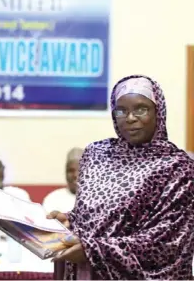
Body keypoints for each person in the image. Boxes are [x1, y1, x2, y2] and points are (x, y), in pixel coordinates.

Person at [48, 75, 194, 280]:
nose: (130, 117)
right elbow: (99, 218)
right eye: (121, 110)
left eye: (141, 109)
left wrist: (94, 251)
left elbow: (167, 241)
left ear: (158, 112)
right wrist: (70, 220)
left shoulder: (177, 167)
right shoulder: (97, 154)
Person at [42, 147, 84, 213]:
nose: (75, 175)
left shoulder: (98, 199)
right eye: (70, 170)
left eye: (80, 170)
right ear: (65, 173)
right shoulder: (53, 199)